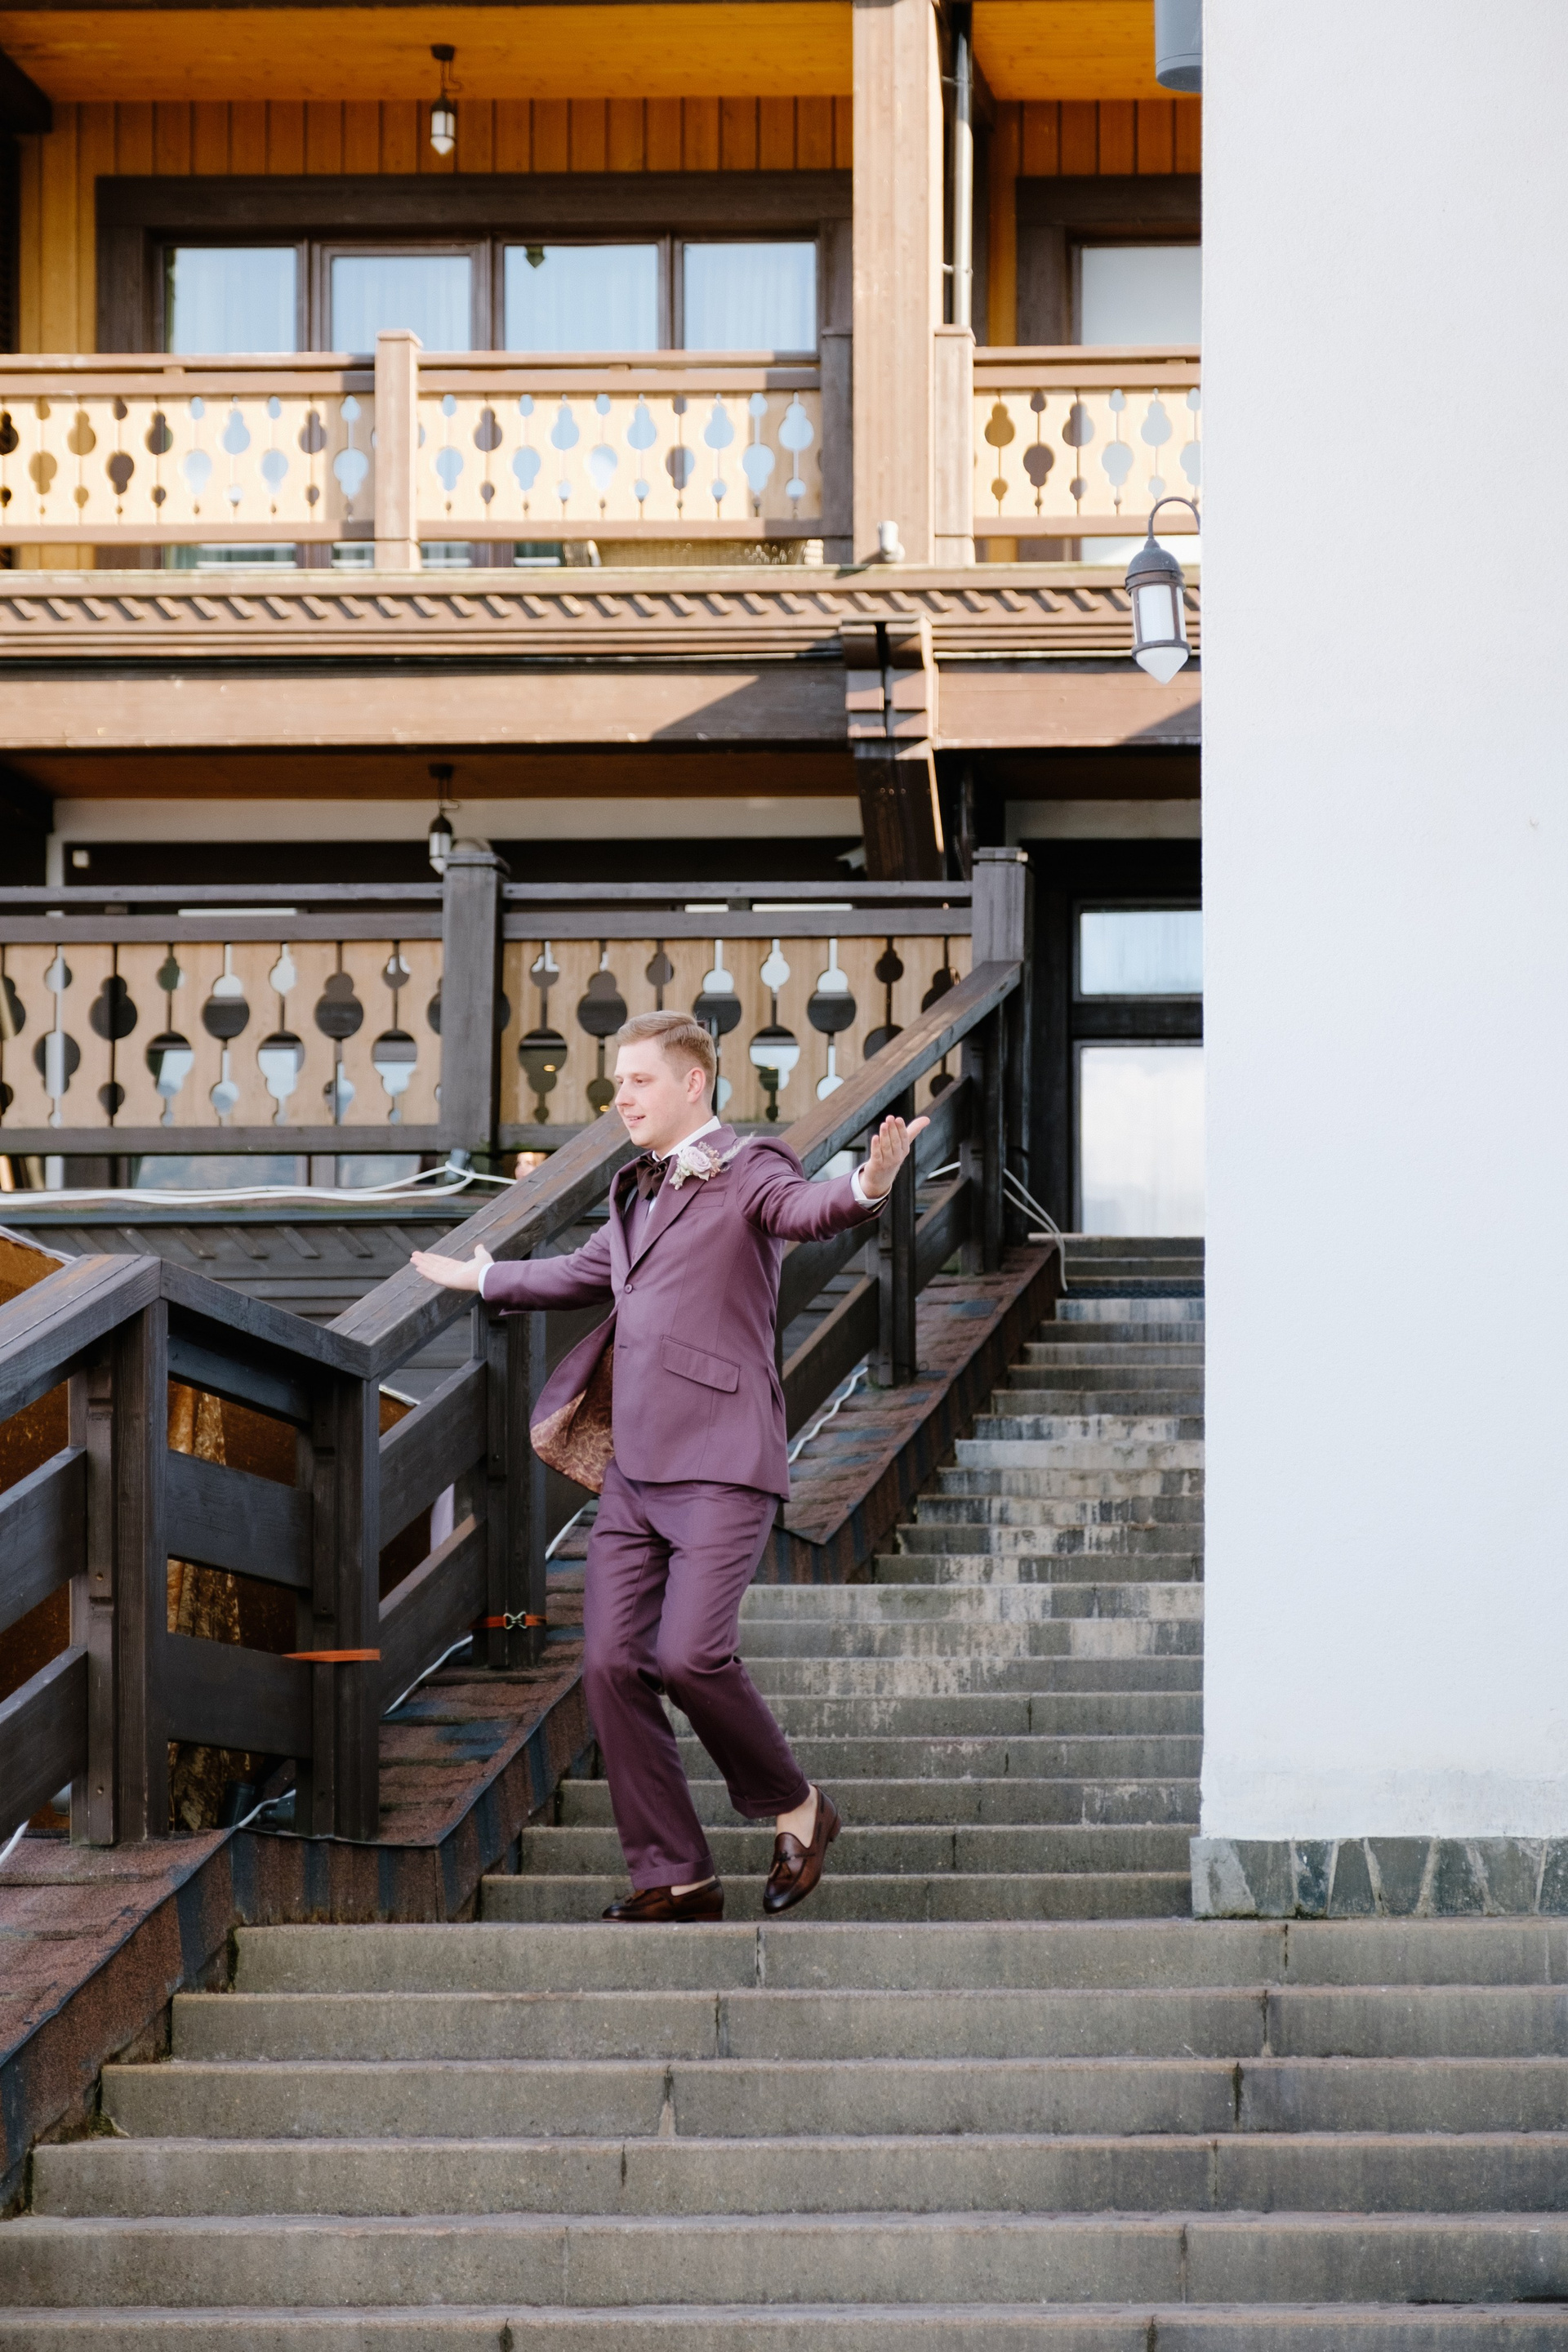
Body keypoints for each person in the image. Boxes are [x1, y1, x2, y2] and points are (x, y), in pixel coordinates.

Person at [411, 1009, 927, 1923]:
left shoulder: (751, 1167)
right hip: (635, 1472)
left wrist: (868, 1185)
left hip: (723, 1461)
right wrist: (482, 1278)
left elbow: (809, 1211)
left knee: (689, 1656)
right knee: (610, 1664)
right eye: (617, 1082)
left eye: (639, 1080)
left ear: (694, 1083)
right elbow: (580, 1272)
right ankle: (677, 1873)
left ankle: (798, 1806)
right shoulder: (631, 1190)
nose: (622, 1097)